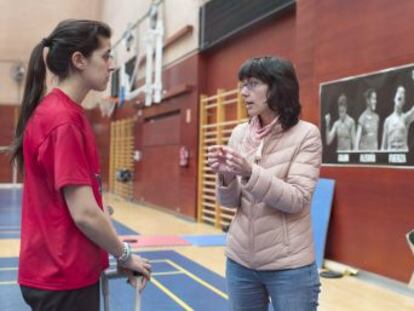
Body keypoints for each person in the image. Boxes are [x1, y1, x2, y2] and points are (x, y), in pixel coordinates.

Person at [10, 19, 151, 311]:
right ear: (79, 60)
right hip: (62, 277)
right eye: (106, 55)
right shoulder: (63, 121)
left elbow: (84, 205)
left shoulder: (62, 113)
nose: (112, 65)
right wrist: (125, 255)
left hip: (61, 273)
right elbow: (85, 213)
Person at [207, 56, 322, 311]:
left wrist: (249, 172)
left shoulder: (307, 135)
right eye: (242, 85)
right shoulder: (239, 134)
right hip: (240, 263)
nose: (243, 92)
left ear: (277, 87)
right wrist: (225, 175)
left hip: (289, 267)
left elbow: (297, 199)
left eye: (252, 84)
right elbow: (230, 203)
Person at [381, 85, 414, 151]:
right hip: (390, 154)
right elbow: (383, 146)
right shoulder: (388, 120)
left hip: (403, 154)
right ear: (394, 98)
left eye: (403, 93)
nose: (400, 94)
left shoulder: (406, 118)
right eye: (398, 92)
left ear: (404, 101)